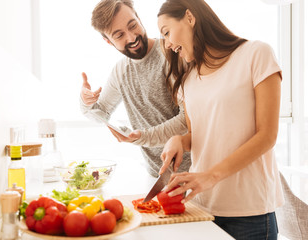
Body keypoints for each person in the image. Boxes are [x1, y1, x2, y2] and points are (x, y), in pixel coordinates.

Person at [157, 0, 284, 239]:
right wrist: (179, 141)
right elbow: (203, 135)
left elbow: (267, 135)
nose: (167, 44)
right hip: (202, 208)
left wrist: (210, 176)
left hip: (250, 212)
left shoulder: (256, 54)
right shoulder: (189, 79)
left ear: (190, 17)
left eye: (166, 32)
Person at [80, 0, 191, 177]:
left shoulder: (172, 53)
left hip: (191, 172)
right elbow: (98, 114)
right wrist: (86, 102)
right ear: (108, 42)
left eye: (133, 25)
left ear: (139, 18)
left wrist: (142, 137)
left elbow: (189, 119)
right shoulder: (121, 71)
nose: (131, 38)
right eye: (119, 35)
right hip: (155, 175)